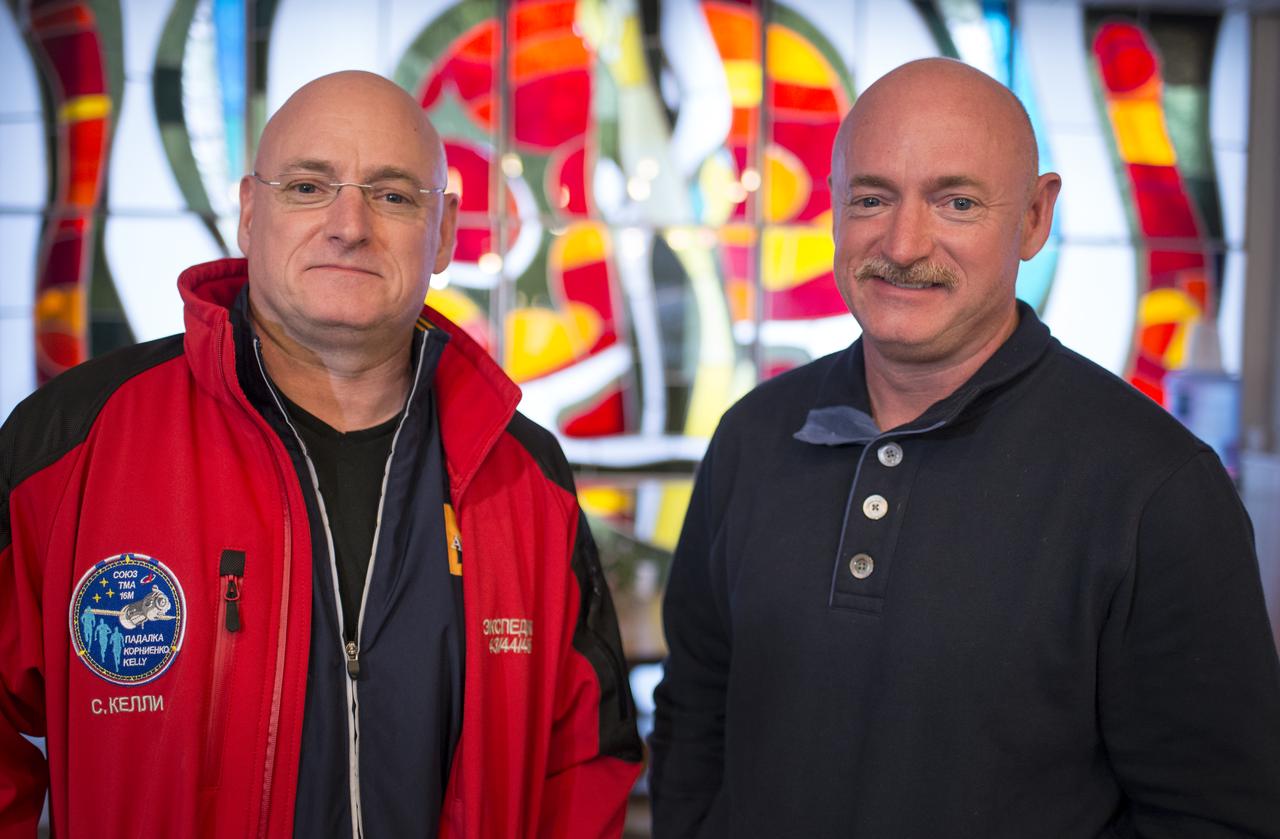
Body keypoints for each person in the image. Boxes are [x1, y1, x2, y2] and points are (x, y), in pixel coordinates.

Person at [649, 58, 1280, 837]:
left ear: (1034, 217)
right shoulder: (752, 435)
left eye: (956, 202)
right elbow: (694, 709)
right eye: (873, 198)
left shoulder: (1158, 489)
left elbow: (1214, 815)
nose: (905, 243)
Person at [0, 71, 641, 837]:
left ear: (443, 232)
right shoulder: (72, 445)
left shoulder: (523, 477)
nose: (349, 225)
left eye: (394, 195)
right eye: (308, 186)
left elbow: (583, 767)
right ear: (247, 212)